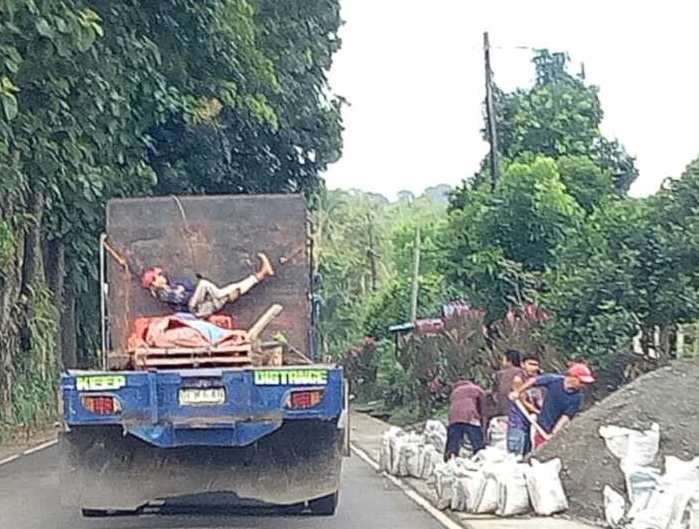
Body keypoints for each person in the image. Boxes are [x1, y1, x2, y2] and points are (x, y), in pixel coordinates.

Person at [141, 253, 275, 318]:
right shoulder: (164, 293)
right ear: (154, 282)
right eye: (158, 276)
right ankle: (221, 294)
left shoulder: (170, 287)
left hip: (204, 307)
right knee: (205, 285)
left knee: (233, 290)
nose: (162, 276)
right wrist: (197, 287)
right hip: (194, 310)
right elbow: (187, 299)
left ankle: (261, 274)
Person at [509, 362, 595, 449]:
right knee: (534, 447)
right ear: (573, 377)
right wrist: (518, 392)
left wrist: (553, 434)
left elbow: (565, 417)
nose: (583, 385)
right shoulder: (555, 380)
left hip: (556, 430)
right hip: (543, 424)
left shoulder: (577, 397)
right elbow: (534, 381)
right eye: (581, 382)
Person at [506, 353, 542, 456]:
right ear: (523, 364)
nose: (534, 368)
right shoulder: (518, 379)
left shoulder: (537, 380)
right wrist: (539, 412)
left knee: (528, 452)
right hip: (518, 422)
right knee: (515, 455)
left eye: (536, 365)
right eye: (531, 364)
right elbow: (523, 401)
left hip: (530, 422)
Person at [445, 379, 486, 461]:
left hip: (454, 417)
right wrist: (482, 420)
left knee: (454, 438)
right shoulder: (476, 389)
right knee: (475, 436)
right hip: (469, 415)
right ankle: (479, 454)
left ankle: (451, 456)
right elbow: (483, 406)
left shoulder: (454, 392)